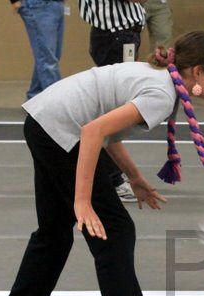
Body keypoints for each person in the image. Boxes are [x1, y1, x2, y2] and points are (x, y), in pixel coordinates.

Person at [0, 31, 204, 296]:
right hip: (59, 130)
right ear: (197, 72)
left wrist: (135, 178)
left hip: (43, 122)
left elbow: (105, 132)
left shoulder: (160, 78)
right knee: (115, 233)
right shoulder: (161, 93)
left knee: (53, 227)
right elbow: (92, 131)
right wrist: (82, 202)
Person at [79, 0, 149, 203]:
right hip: (116, 34)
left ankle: (110, 176)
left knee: (115, 106)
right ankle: (112, 179)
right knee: (112, 111)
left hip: (120, 33)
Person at [10, 0, 65, 100]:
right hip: (37, 5)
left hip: (55, 4)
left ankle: (35, 96)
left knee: (50, 55)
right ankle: (55, 103)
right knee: (47, 60)